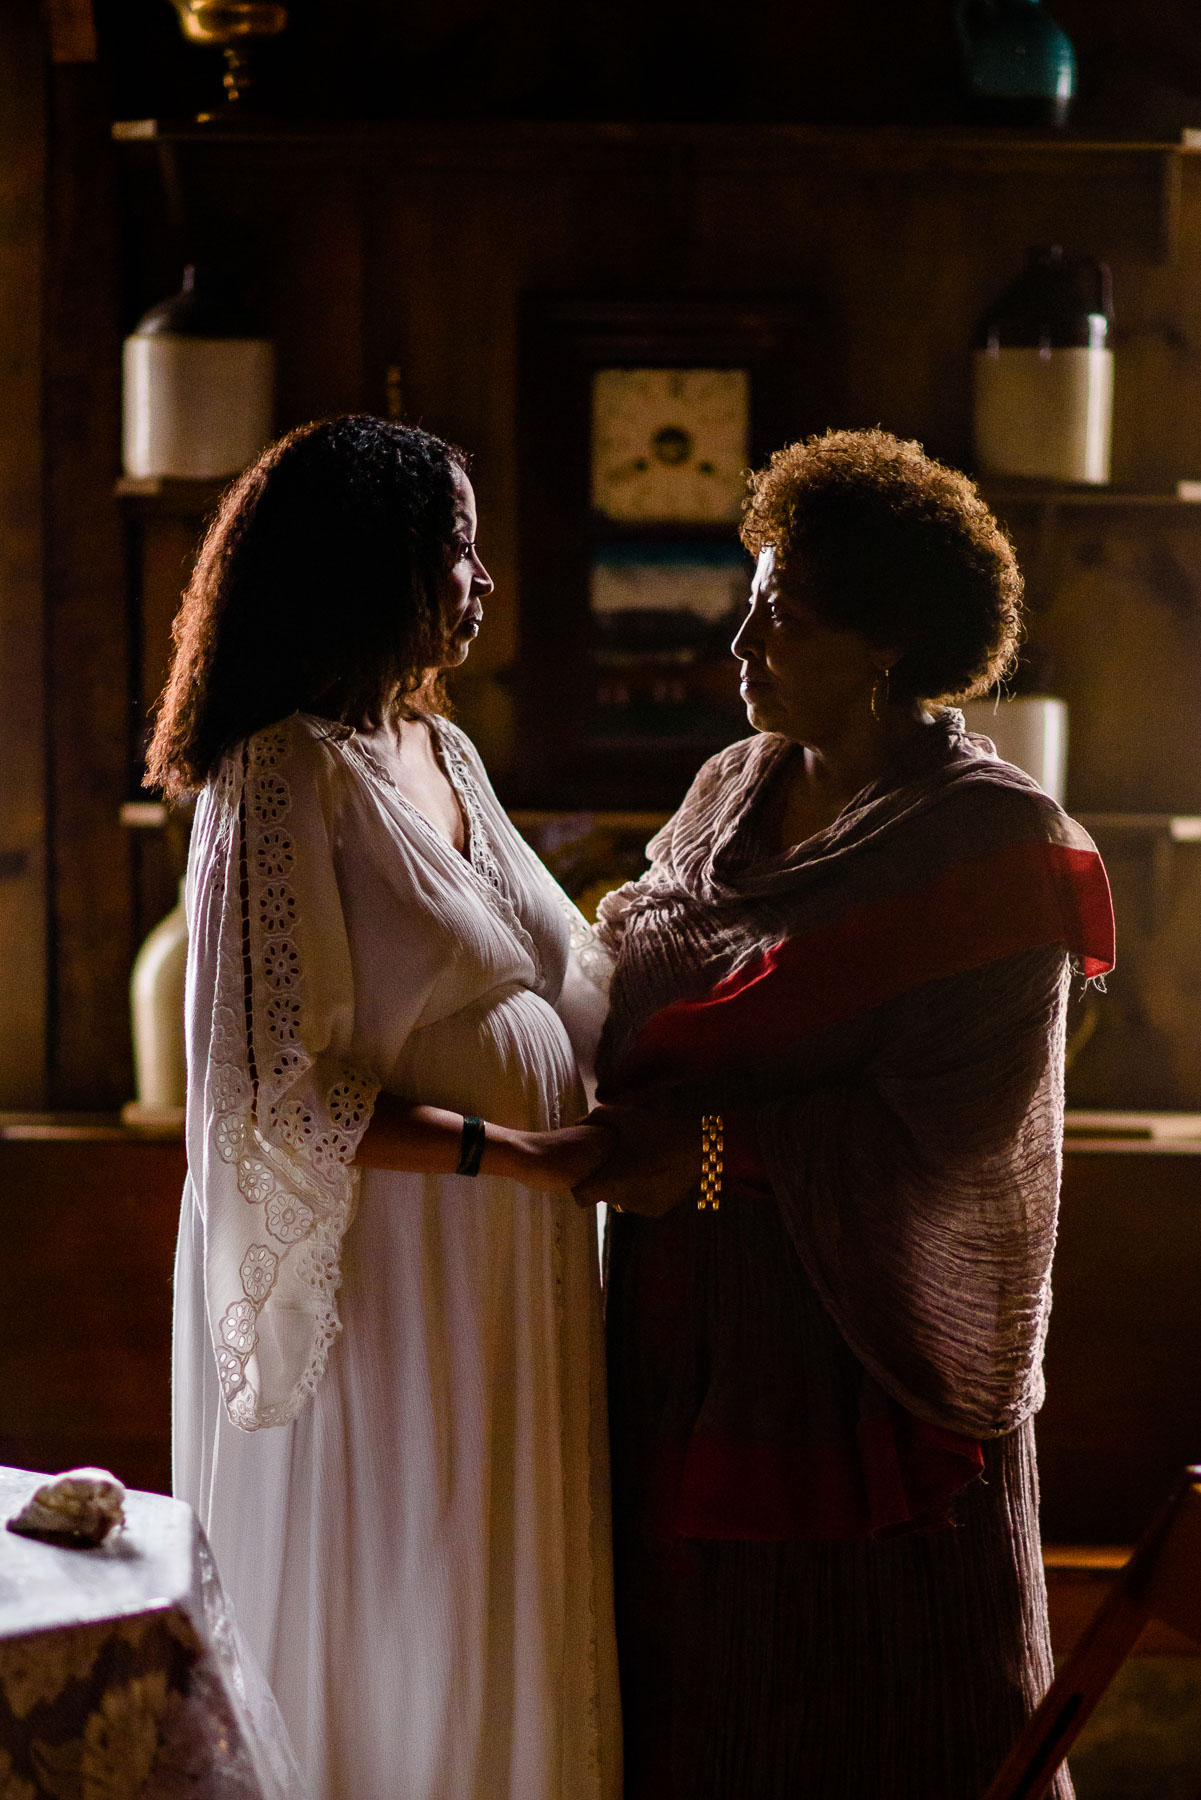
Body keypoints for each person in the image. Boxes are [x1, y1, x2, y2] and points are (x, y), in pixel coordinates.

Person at [572, 428, 1115, 1800]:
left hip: (859, 1359)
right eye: (747, 597)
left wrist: (693, 1157)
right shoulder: (726, 792)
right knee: (698, 1706)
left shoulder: (989, 848)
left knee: (880, 1702)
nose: (740, 636)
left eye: (784, 615)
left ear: (887, 645)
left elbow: (945, 1145)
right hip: (679, 1329)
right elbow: (640, 959)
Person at [146, 415, 620, 1800]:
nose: (480, 580)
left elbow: (566, 968)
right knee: (399, 1569)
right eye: (454, 548)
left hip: (503, 1267)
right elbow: (268, 1093)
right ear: (371, 568)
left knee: (491, 1561)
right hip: (390, 1274)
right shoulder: (277, 776)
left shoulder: (444, 752)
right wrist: (524, 1156)